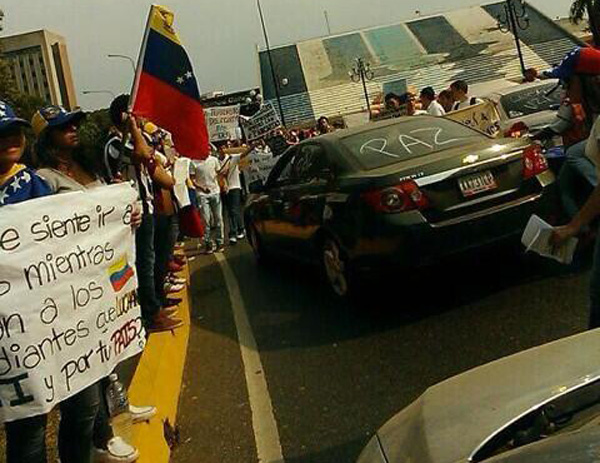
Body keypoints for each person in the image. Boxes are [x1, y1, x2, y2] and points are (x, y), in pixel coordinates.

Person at [31, 104, 150, 463]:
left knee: (106, 354)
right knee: (87, 366)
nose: (72, 130)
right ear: (44, 137)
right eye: (63, 126)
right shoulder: (42, 180)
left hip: (105, 278)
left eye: (74, 124)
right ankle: (101, 437)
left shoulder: (90, 165)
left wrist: (128, 213)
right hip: (72, 289)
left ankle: (111, 421)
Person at [0, 103, 101, 463]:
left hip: (60, 315)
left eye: (14, 129)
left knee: (85, 404)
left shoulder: (35, 183)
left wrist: (118, 221)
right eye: (0, 132)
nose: (9, 138)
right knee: (28, 427)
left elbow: (70, 237)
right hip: (14, 334)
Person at [104, 95, 183, 333]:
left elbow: (149, 153)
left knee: (150, 261)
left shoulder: (127, 140)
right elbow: (143, 154)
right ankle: (150, 314)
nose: (142, 120)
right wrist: (132, 126)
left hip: (146, 209)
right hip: (133, 213)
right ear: (124, 117)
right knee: (144, 265)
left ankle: (155, 304)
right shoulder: (114, 144)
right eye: (137, 115)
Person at [218, 143, 254, 244]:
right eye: (221, 148)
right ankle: (241, 228)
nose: (223, 150)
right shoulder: (216, 161)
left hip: (234, 187)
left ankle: (233, 233)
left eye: (224, 148)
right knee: (231, 211)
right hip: (224, 189)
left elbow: (244, 154)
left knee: (233, 210)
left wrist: (253, 146)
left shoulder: (232, 158)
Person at [193, 148, 225, 253]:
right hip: (202, 195)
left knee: (218, 218)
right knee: (206, 220)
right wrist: (202, 187)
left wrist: (223, 185)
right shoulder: (193, 162)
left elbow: (219, 173)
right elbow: (192, 179)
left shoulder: (214, 160)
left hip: (215, 192)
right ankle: (208, 243)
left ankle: (220, 242)